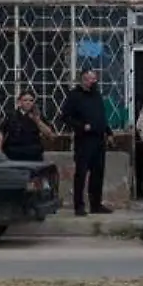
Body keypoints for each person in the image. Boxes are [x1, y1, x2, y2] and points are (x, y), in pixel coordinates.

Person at [61, 69, 113, 216]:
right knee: (81, 173)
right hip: (84, 140)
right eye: (91, 79)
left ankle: (96, 204)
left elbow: (102, 115)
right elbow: (65, 117)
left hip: (99, 139)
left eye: (95, 79)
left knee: (98, 173)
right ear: (84, 80)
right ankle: (79, 206)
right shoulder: (74, 95)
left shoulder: (96, 95)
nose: (94, 81)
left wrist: (108, 132)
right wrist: (82, 126)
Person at [0, 90, 56, 162]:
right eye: (25, 100)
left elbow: (50, 135)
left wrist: (37, 121)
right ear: (19, 102)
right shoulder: (11, 116)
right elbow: (1, 132)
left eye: (31, 100)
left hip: (33, 155)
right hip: (14, 153)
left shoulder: (38, 116)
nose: (28, 102)